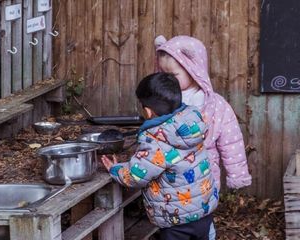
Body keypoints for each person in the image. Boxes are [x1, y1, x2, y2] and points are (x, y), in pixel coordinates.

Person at [154, 35, 252, 238]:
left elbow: (231, 141)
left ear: (193, 68)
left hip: (203, 176)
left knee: (200, 214)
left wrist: (237, 175)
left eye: (172, 75)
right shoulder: (162, 102)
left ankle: (205, 231)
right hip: (170, 180)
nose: (167, 80)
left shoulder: (215, 105)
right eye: (163, 74)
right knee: (172, 216)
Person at [102, 72, 218, 240]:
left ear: (148, 112)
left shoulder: (155, 140)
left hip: (175, 222)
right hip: (203, 213)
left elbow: (136, 175)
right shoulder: (192, 122)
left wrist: (116, 170)